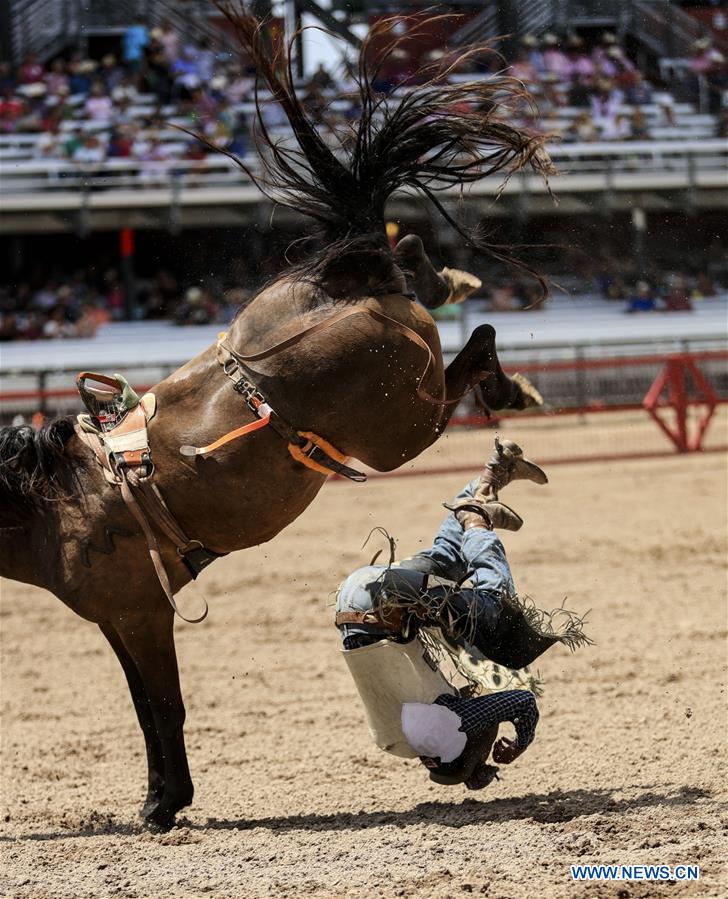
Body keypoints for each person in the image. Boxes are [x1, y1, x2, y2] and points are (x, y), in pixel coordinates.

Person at [335, 438, 589, 789]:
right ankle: (491, 476)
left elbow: (522, 701)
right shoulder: (403, 742)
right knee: (446, 563)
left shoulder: (446, 730)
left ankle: (477, 520)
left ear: (463, 751)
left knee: (494, 610)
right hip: (359, 596)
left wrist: (521, 741)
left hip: (379, 606)